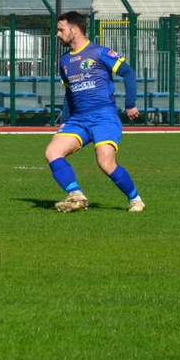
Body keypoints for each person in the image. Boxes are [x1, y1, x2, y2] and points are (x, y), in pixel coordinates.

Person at [45, 11, 145, 213]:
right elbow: (69, 92)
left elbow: (127, 72)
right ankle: (76, 195)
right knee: (52, 151)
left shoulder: (99, 52)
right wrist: (65, 120)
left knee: (105, 161)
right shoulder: (64, 61)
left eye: (61, 29)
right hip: (79, 119)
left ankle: (135, 200)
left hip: (104, 116)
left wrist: (130, 104)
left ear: (74, 30)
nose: (58, 34)